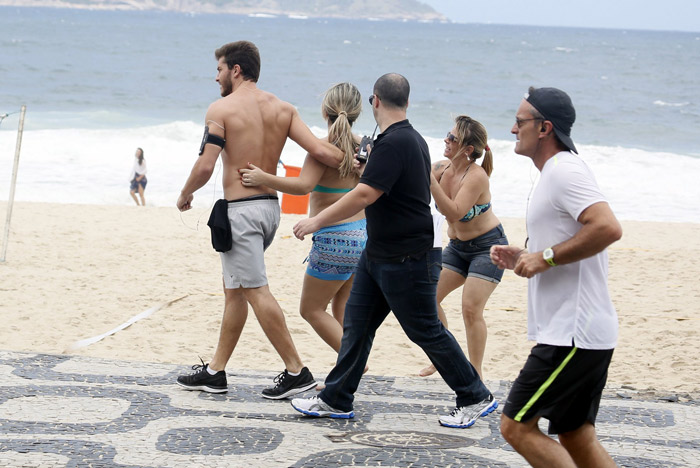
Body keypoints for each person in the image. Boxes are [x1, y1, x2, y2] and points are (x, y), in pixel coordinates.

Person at [289, 73, 497, 429]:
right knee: (357, 327)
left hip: (408, 256)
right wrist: (368, 169)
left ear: (375, 101)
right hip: (378, 253)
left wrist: (316, 221)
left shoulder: (396, 142)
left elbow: (365, 194)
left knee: (425, 330)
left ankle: (475, 395)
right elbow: (387, 184)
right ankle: (336, 399)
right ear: (407, 102)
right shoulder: (405, 139)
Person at [175, 40, 343, 399]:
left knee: (255, 289)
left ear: (235, 70)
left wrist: (185, 193)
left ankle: (297, 371)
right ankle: (215, 371)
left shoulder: (221, 109)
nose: (216, 77)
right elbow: (321, 151)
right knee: (235, 290)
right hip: (269, 210)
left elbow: (205, 165)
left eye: (219, 69)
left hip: (242, 213)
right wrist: (358, 158)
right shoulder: (284, 108)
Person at [491, 87, 622, 467]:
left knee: (516, 426)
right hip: (579, 331)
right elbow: (569, 240)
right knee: (575, 434)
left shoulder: (565, 170)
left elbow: (607, 227)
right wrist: (527, 255)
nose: (513, 129)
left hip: (573, 333)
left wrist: (546, 258)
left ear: (544, 128)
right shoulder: (554, 173)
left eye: (520, 122)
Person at [239, 82, 367, 357]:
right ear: (356, 113)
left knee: (311, 310)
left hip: (334, 238)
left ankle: (355, 360)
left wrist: (263, 178)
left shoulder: (322, 148)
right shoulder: (365, 148)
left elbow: (303, 186)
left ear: (325, 111)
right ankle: (350, 369)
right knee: (342, 308)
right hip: (362, 235)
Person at [419, 116, 508, 379]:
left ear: (468, 149)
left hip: (488, 248)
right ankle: (443, 356)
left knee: (470, 309)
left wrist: (430, 182)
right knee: (427, 299)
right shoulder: (441, 168)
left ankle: (476, 372)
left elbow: (455, 212)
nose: (446, 140)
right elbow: (408, 176)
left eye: (453, 138)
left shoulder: (477, 177)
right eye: (448, 134)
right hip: (458, 248)